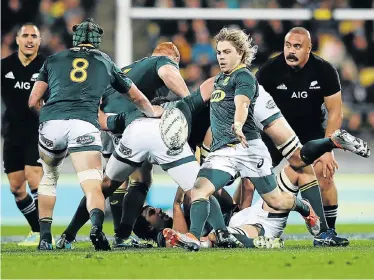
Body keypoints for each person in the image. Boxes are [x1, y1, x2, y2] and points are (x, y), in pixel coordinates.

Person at [164, 27, 320, 252]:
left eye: (227, 52)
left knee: (276, 201)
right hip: (222, 152)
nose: (221, 57)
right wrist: (165, 112)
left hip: (249, 149)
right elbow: (189, 103)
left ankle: (304, 207)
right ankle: (193, 237)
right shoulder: (215, 82)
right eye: (218, 52)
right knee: (198, 190)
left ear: (239, 53)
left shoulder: (245, 77)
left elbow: (242, 103)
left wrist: (238, 123)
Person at [28, 18, 161, 251]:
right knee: (92, 185)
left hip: (52, 122)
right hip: (84, 124)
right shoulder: (105, 61)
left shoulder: (54, 59)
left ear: (75, 38)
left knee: (49, 177)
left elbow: (32, 101)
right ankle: (96, 229)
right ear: (97, 41)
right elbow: (137, 97)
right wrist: (152, 113)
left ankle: (45, 239)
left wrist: (49, 117)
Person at [56, 42, 191, 249]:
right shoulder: (163, 62)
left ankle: (68, 235)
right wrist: (190, 102)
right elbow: (167, 72)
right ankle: (122, 235)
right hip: (130, 122)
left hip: (106, 121)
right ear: (175, 60)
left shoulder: (130, 69)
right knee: (140, 180)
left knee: (108, 183)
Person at [255, 27, 355, 244]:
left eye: (297, 47)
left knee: (325, 173)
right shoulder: (270, 70)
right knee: (249, 178)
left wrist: (327, 148)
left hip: (311, 131)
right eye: (288, 46)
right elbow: (251, 104)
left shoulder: (325, 70)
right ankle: (232, 226)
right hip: (277, 132)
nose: (291, 51)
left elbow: (336, 112)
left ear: (309, 48)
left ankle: (328, 233)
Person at [1, 23, 45, 246]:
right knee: (17, 188)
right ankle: (38, 231)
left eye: (34, 36)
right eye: (25, 35)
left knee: (34, 176)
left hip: (37, 131)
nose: (29, 40)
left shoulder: (47, 65)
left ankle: (46, 234)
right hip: (11, 133)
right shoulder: (4, 66)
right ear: (17, 39)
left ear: (39, 40)